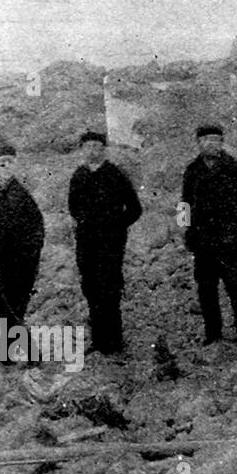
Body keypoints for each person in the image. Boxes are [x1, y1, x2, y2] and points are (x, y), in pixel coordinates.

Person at [181, 124, 237, 346]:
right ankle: (213, 334)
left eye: (215, 140)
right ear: (199, 144)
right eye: (206, 140)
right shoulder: (192, 171)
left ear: (221, 143)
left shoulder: (235, 169)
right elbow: (184, 203)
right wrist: (186, 229)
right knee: (206, 288)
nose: (211, 144)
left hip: (229, 240)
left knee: (236, 287)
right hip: (202, 240)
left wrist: (235, 226)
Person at [68, 131, 142, 355]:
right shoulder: (79, 175)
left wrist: (116, 227)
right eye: (88, 146)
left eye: (98, 146)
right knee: (91, 289)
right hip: (86, 243)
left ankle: (115, 341)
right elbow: (73, 207)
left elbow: (135, 208)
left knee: (109, 290)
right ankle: (99, 341)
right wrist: (85, 223)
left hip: (110, 244)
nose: (93, 150)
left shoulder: (114, 174)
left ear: (104, 150)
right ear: (82, 150)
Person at [0, 145, 45, 363]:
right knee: (1, 304)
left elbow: (37, 226)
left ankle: (6, 355)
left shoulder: (21, 193)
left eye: (10, 161)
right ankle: (31, 353)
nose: (6, 166)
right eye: (1, 162)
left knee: (15, 304)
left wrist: (30, 251)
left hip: (20, 259)